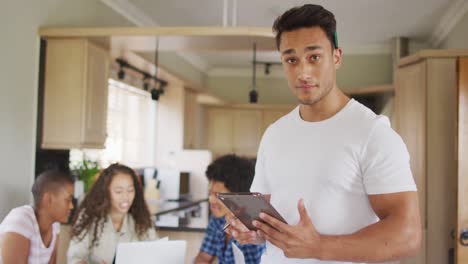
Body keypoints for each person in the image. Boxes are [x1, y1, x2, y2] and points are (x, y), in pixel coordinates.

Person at [226, 4, 421, 264]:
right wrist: (251, 231)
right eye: (291, 59)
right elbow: (267, 221)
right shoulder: (274, 135)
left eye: (314, 57)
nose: (302, 72)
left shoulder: (373, 134)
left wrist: (319, 247)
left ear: (337, 57)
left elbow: (407, 236)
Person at [67, 163, 157, 264]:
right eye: (118, 192)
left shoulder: (142, 219)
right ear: (105, 192)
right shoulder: (88, 217)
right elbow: (74, 258)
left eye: (130, 190)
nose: (126, 197)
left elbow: (154, 255)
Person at [194, 154, 265, 264]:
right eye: (210, 193)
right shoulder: (217, 219)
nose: (211, 200)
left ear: (238, 196)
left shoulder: (254, 228)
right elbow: (204, 256)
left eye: (218, 195)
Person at [0, 169, 74, 263]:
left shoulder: (55, 226)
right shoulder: (21, 220)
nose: (72, 206)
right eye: (68, 200)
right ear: (48, 199)